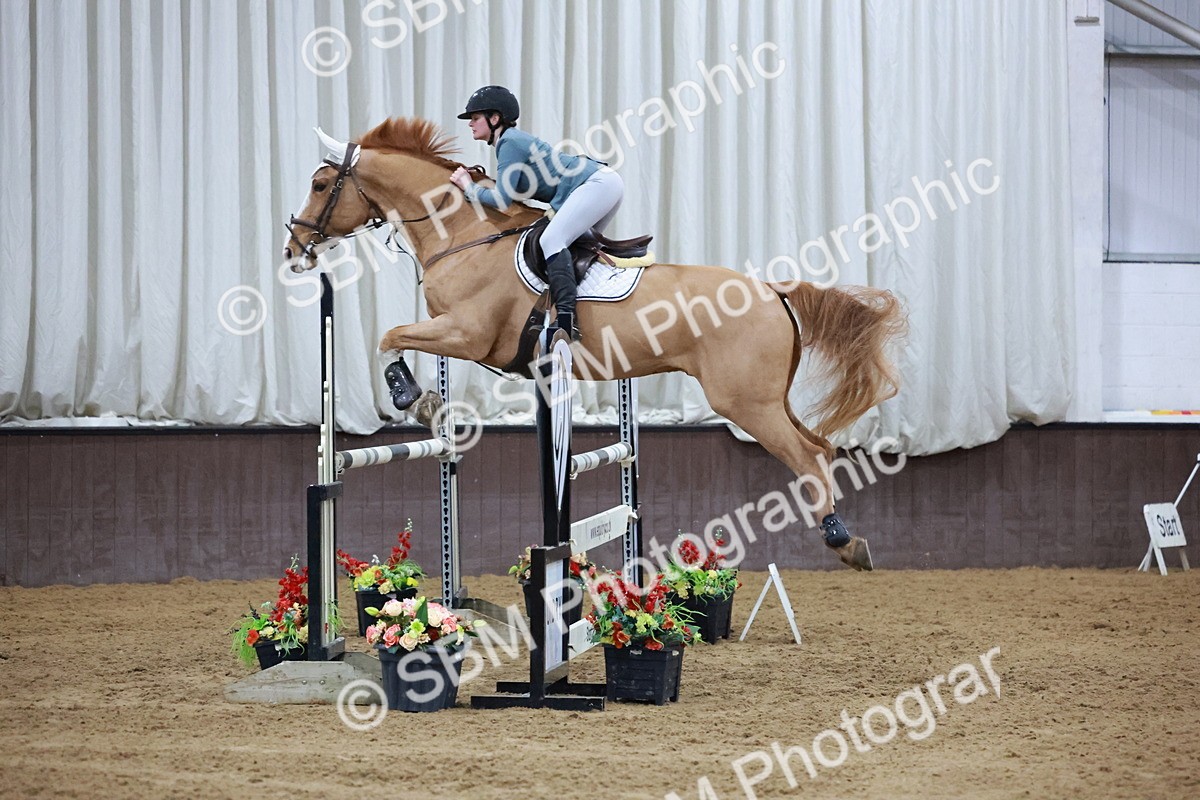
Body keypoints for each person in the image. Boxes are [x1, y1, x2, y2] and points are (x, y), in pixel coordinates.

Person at [448, 85, 623, 341]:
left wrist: (467, 187)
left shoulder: (509, 143)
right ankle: (592, 313)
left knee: (551, 240)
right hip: (602, 183)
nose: (470, 124)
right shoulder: (509, 142)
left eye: (475, 118)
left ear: (494, 119)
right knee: (575, 250)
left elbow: (502, 200)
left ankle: (565, 322)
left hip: (595, 184)